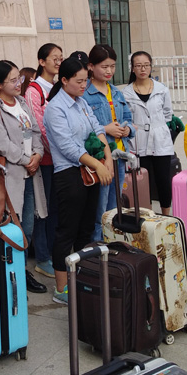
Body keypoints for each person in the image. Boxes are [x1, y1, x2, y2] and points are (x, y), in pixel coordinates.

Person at [44, 58, 113, 305]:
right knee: (67, 231)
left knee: (86, 229)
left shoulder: (81, 102)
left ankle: (83, 278)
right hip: (69, 174)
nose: (84, 86)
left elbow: (98, 130)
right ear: (64, 80)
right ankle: (61, 288)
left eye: (85, 81)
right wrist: (98, 164)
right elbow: (67, 147)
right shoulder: (55, 108)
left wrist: (107, 158)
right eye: (79, 81)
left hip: (90, 171)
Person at [0, 60, 48, 294]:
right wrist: (26, 159)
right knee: (10, 226)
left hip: (30, 173)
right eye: (12, 80)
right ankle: (9, 276)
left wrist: (37, 154)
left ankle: (21, 270)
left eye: (19, 78)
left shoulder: (21, 102)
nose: (18, 83)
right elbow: (0, 144)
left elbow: (35, 131)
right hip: (10, 176)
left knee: (26, 227)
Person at [83, 44, 134, 240]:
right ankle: (97, 245)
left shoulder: (116, 92)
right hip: (100, 159)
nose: (109, 71)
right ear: (91, 66)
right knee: (99, 208)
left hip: (119, 156)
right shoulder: (85, 94)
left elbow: (129, 118)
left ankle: (112, 242)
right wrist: (106, 129)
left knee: (114, 206)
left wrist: (128, 129)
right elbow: (83, 127)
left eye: (112, 66)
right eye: (104, 67)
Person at [24, 43, 62, 279]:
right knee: (42, 211)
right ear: (41, 61)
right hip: (45, 160)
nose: (58, 62)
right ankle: (42, 257)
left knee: (56, 210)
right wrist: (59, 150)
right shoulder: (34, 91)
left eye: (60, 58)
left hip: (60, 160)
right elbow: (38, 127)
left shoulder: (59, 87)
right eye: (54, 58)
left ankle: (53, 253)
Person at [122, 51, 174, 215]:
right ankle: (146, 215)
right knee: (142, 181)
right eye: (138, 65)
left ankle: (166, 215)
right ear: (132, 68)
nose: (143, 69)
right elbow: (126, 117)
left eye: (146, 65)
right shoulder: (126, 93)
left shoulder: (161, 89)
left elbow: (168, 114)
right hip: (138, 141)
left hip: (160, 140)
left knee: (163, 179)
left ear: (151, 66)